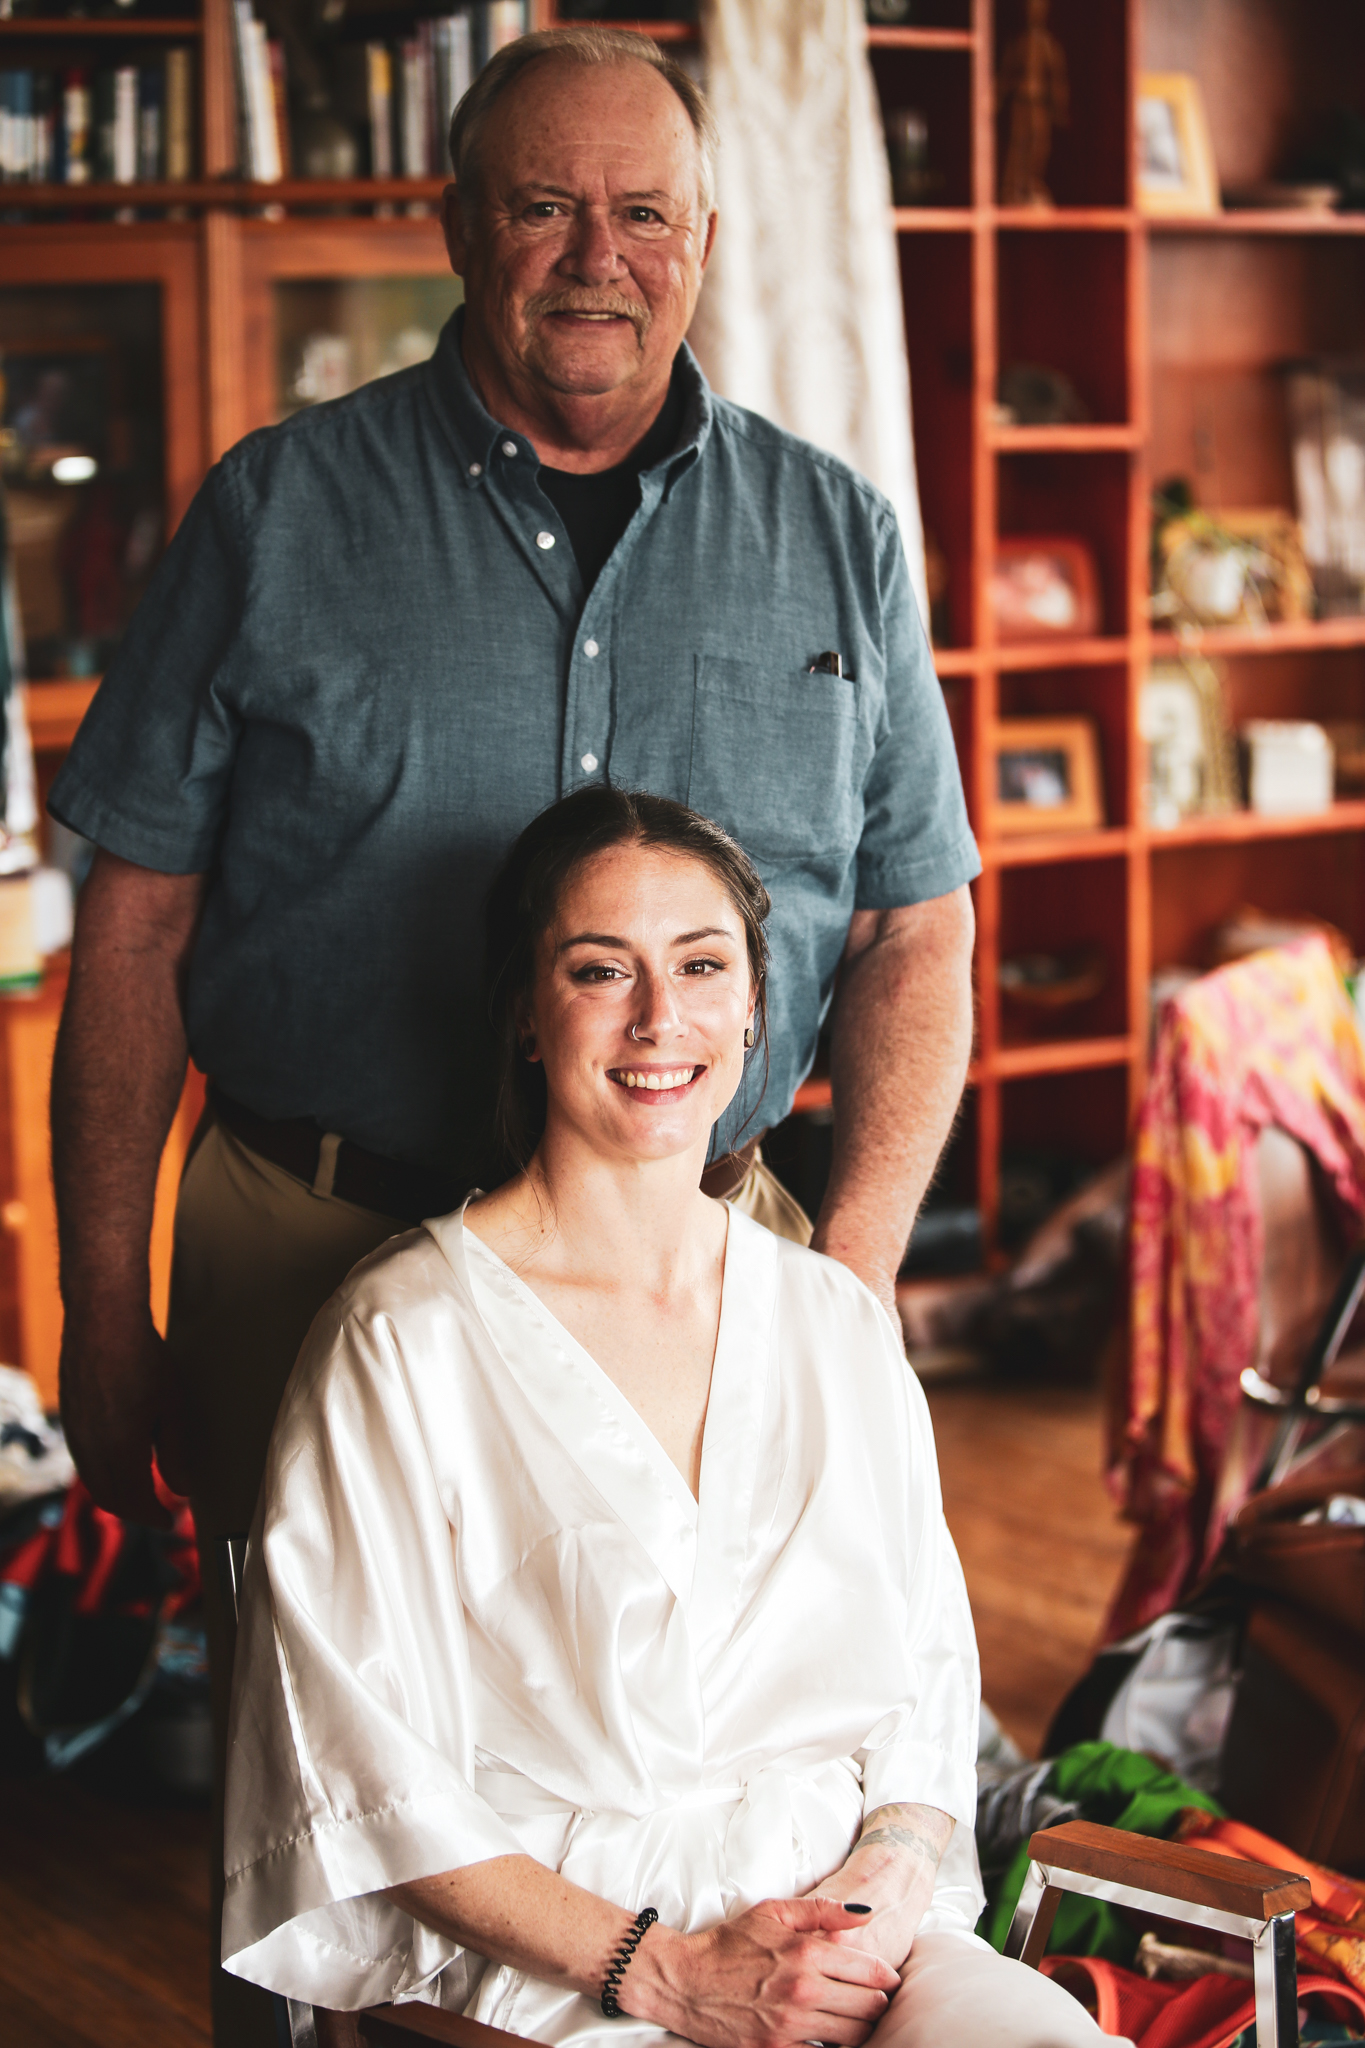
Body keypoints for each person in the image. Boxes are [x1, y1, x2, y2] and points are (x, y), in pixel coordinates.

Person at [49, 29, 975, 2037]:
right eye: (544, 205)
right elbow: (131, 920)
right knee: (330, 1793)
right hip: (317, 1234)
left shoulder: (837, 536)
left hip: (711, 1253)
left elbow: (918, 929)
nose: (594, 254)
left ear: (706, 240)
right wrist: (108, 1303)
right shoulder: (281, 510)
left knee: (726, 1749)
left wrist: (856, 1282)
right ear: (455, 223)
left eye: (641, 212)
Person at [222, 789, 1115, 2048]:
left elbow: (924, 1700)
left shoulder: (833, 1320)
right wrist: (671, 1971)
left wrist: (861, 1912)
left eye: (702, 964)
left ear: (755, 1002)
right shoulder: (400, 1340)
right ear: (527, 1016)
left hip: (866, 1952)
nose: (661, 1018)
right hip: (566, 1980)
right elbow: (368, 1778)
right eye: (602, 969)